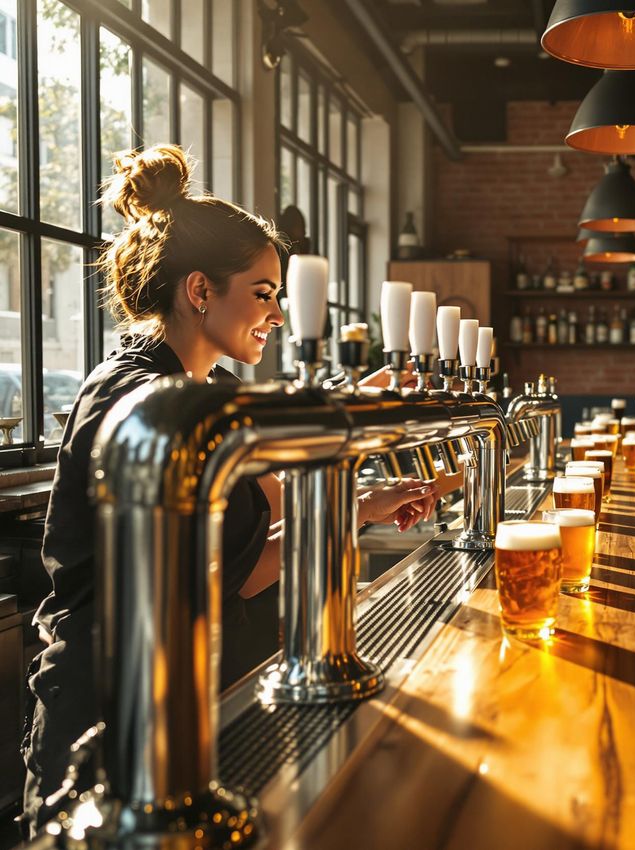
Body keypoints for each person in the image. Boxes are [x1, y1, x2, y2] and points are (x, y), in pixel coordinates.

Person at [23, 145, 437, 834]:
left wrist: (357, 487)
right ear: (199, 290)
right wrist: (352, 495)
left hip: (186, 686)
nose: (276, 315)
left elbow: (265, 508)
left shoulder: (210, 389)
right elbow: (233, 574)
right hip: (109, 706)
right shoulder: (141, 401)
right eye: (264, 293)